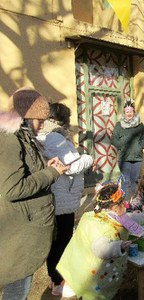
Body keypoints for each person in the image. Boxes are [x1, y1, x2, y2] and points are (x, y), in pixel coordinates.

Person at [0, 87, 69, 299]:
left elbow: (22, 172)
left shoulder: (21, 136)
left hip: (23, 230)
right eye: (39, 121)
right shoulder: (11, 139)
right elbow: (12, 188)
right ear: (27, 117)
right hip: (19, 236)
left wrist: (46, 166)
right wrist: (50, 173)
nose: (41, 126)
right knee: (17, 288)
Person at [36, 103, 94, 296]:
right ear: (62, 119)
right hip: (63, 197)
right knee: (62, 240)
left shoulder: (50, 135)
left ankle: (56, 279)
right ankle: (58, 280)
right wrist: (88, 158)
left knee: (59, 239)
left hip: (62, 194)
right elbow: (72, 165)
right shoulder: (54, 137)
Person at [56, 182, 144, 299]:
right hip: (89, 271)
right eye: (123, 203)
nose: (126, 205)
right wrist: (120, 246)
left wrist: (143, 216)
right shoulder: (100, 225)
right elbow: (101, 248)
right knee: (85, 291)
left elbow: (126, 218)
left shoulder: (99, 214)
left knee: (75, 284)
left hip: (80, 261)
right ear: (114, 207)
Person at [111, 99, 144, 201]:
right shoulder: (119, 125)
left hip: (137, 157)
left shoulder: (140, 125)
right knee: (125, 181)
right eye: (127, 112)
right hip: (124, 158)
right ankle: (125, 202)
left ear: (133, 112)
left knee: (135, 180)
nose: (129, 114)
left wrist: (139, 147)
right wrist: (121, 146)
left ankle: (135, 201)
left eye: (131, 112)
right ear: (124, 113)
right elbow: (114, 139)